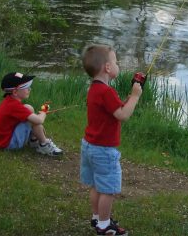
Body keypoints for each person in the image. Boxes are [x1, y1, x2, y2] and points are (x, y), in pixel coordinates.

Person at [80, 44, 142, 235]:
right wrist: (135, 96)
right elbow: (123, 115)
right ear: (107, 67)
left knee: (96, 185)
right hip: (103, 150)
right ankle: (105, 226)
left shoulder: (95, 89)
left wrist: (124, 100)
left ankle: (97, 217)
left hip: (89, 146)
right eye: (116, 62)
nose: (118, 65)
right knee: (108, 189)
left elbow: (113, 111)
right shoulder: (107, 92)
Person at [0, 72, 63, 156]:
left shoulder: (9, 101)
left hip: (3, 141)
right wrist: (44, 112)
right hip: (8, 145)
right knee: (33, 121)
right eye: (26, 87)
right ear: (15, 92)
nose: (29, 89)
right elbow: (39, 121)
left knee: (28, 108)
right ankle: (44, 145)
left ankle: (33, 140)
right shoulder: (14, 106)